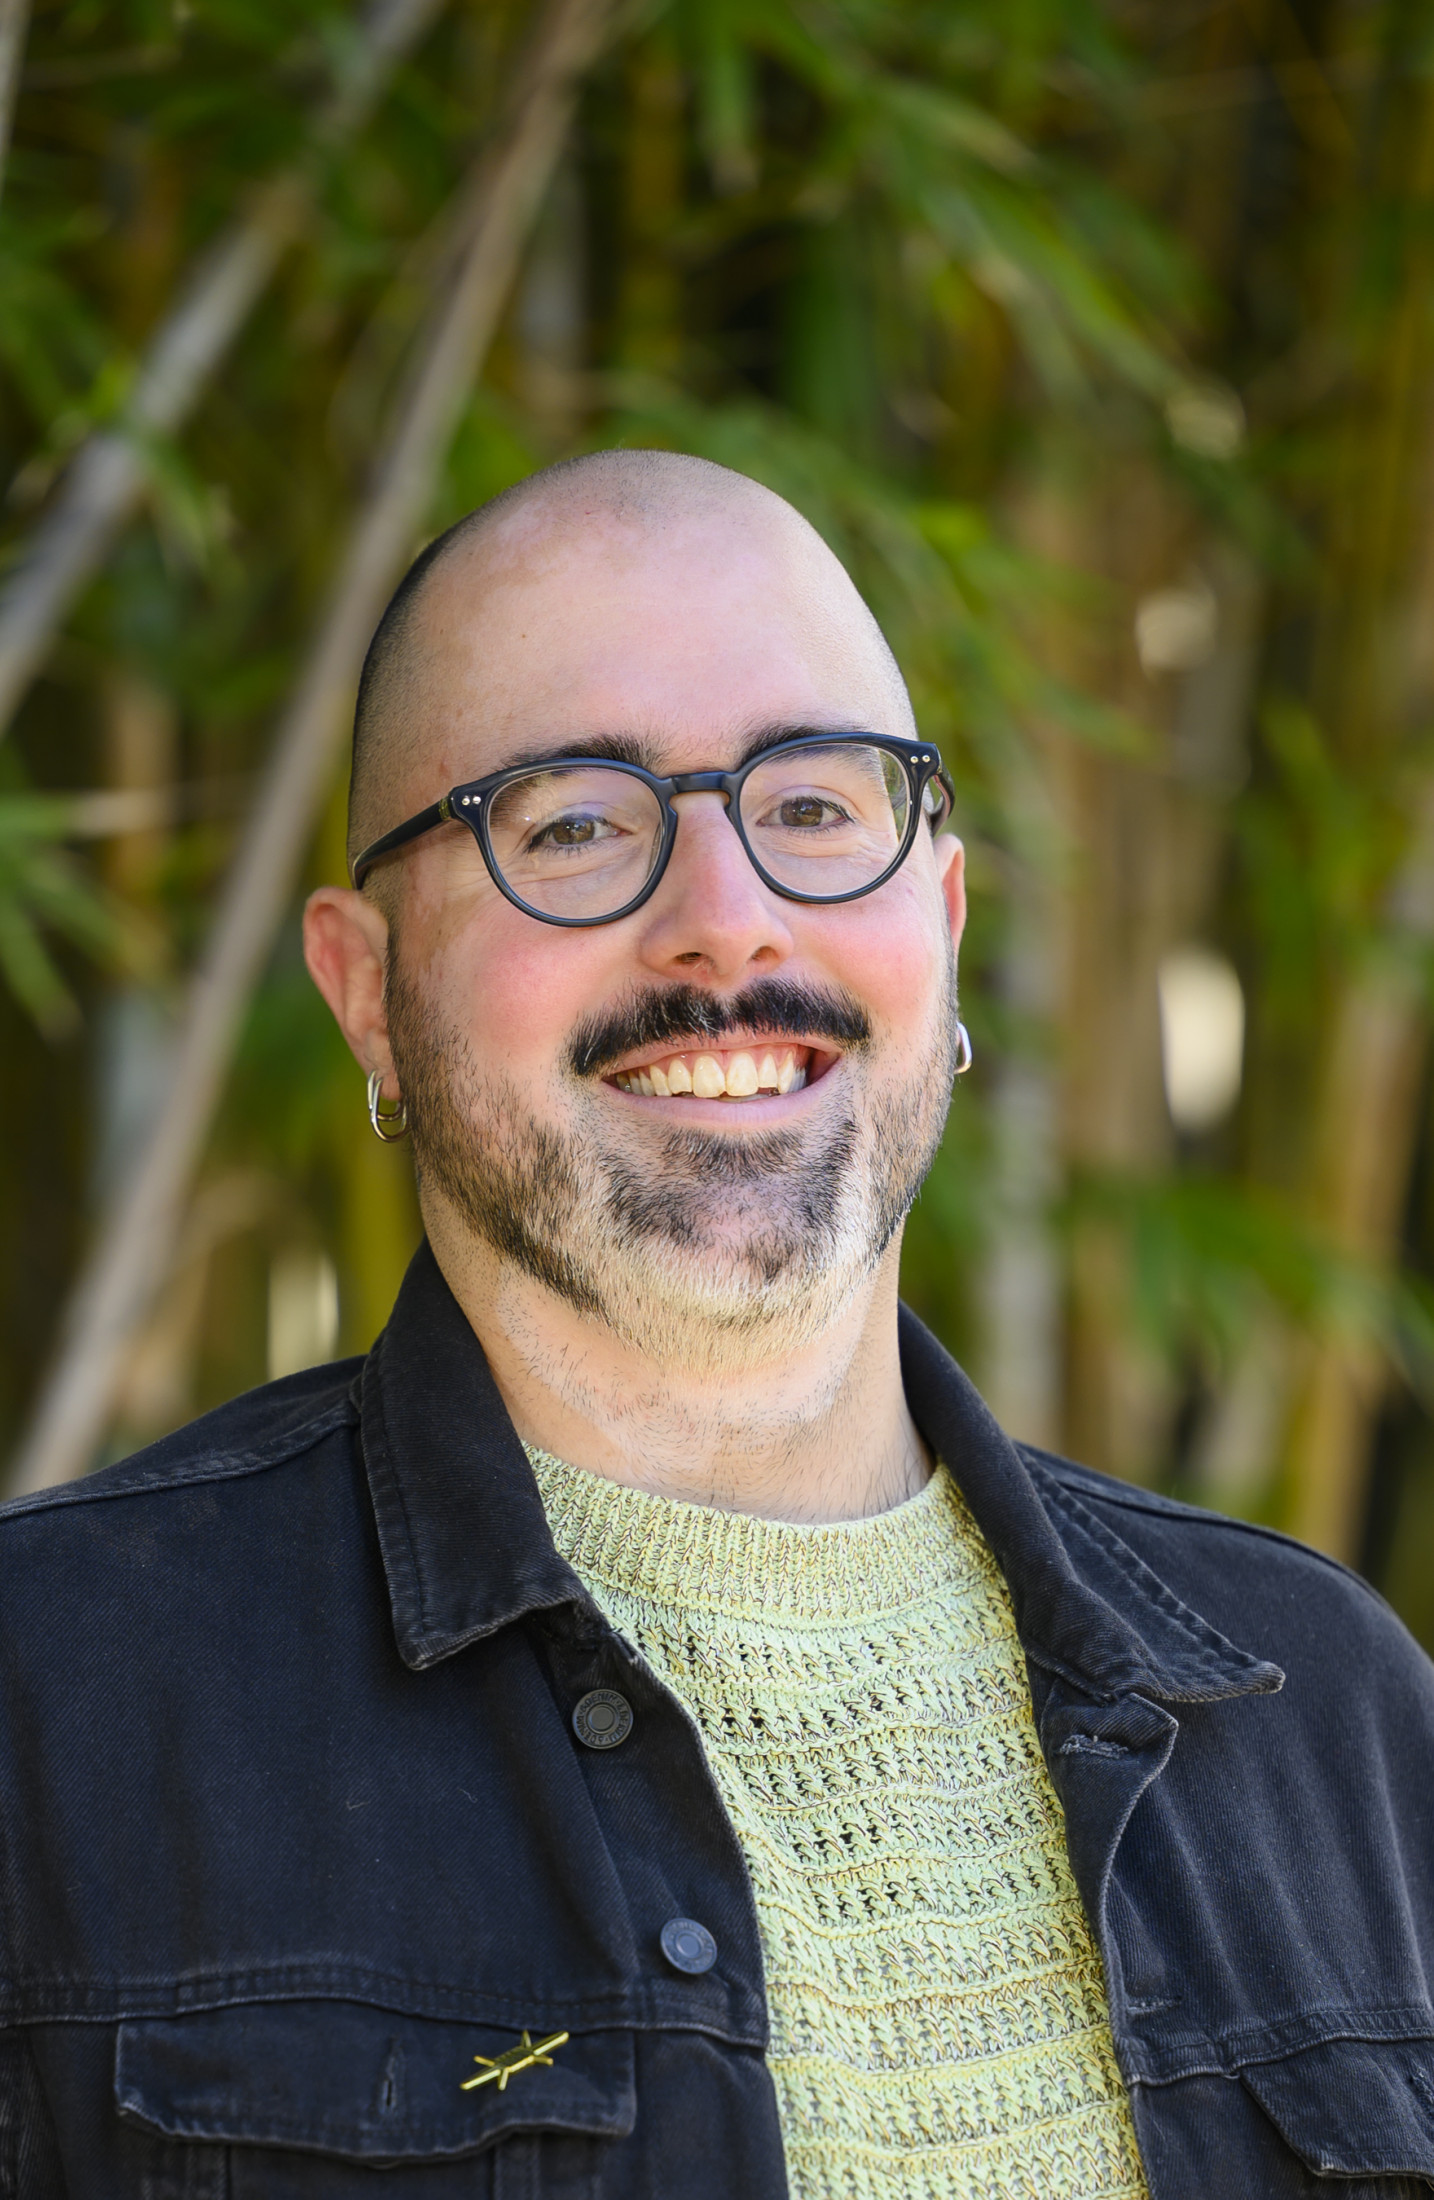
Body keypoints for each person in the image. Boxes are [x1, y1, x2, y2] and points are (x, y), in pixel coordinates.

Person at [1, 452, 1433, 2200]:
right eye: (577, 824)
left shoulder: (1328, 1712)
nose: (726, 922)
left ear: (947, 919)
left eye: (817, 806)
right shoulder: (51, 1709)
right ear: (368, 993)